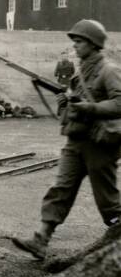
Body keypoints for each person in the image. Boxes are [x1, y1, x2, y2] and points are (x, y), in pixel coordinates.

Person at [12, 19, 121, 260]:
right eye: (75, 42)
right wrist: (66, 104)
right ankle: (41, 239)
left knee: (107, 199)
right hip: (76, 140)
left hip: (99, 143)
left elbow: (119, 103)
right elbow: (76, 103)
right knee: (61, 188)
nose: (75, 47)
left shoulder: (108, 71)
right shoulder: (80, 71)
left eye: (80, 42)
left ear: (93, 44)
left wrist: (90, 108)